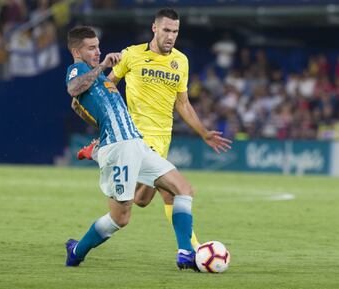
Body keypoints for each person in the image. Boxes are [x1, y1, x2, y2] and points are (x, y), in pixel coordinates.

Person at [74, 8, 232, 251]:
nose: (171, 36)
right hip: (135, 136)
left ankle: (97, 151)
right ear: (154, 28)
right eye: (167, 30)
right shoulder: (132, 54)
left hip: (162, 138)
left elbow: (183, 103)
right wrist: (101, 116)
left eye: (175, 31)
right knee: (174, 191)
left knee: (142, 200)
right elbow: (106, 86)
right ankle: (192, 250)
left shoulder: (181, 61)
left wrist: (203, 132)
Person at [65, 26, 199, 271]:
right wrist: (103, 65)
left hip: (136, 143)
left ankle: (185, 253)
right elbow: (73, 89)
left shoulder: (99, 80)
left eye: (98, 46)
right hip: (120, 149)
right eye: (91, 48)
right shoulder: (78, 69)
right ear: (77, 51)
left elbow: (95, 109)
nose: (98, 51)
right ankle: (76, 251)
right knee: (121, 218)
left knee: (183, 189)